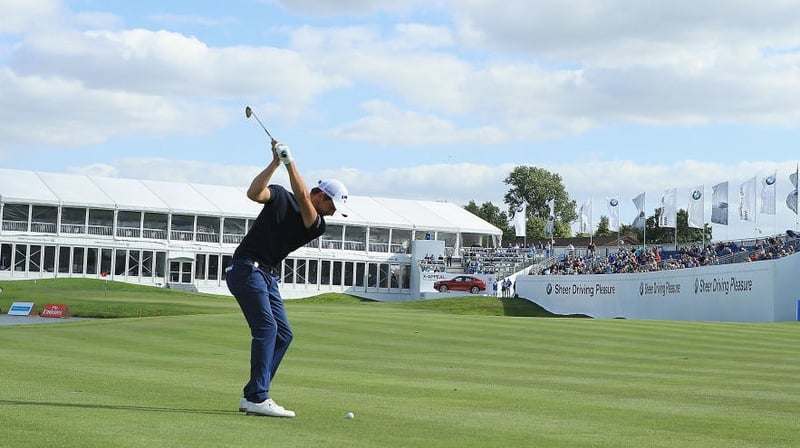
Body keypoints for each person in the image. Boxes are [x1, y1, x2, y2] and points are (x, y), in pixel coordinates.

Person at [226, 139, 349, 418]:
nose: (333, 213)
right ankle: (259, 396)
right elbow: (254, 193)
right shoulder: (281, 195)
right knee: (268, 329)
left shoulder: (316, 224)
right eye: (333, 206)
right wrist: (276, 163)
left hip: (267, 277)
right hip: (246, 269)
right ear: (322, 196)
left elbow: (303, 197)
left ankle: (252, 395)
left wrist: (289, 161)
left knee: (284, 334)